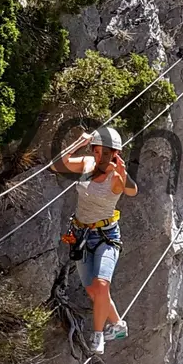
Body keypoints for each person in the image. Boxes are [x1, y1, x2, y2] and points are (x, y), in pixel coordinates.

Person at [55, 127, 136, 352]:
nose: (101, 157)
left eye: (107, 153)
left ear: (115, 154)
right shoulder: (87, 163)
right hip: (80, 235)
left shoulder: (117, 175)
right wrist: (78, 144)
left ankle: (98, 335)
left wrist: (123, 172)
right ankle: (118, 325)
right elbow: (56, 165)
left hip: (106, 235)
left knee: (102, 285)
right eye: (98, 151)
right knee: (94, 292)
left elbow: (132, 191)